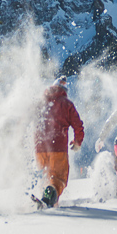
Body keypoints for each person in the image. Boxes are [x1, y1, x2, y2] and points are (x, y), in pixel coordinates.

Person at [33, 77, 84, 207]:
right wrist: (78, 141)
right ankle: (49, 198)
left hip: (40, 148)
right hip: (57, 148)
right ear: (64, 90)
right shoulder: (66, 104)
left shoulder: (40, 102)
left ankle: (47, 201)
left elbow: (28, 117)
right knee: (58, 178)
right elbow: (78, 125)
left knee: (47, 176)